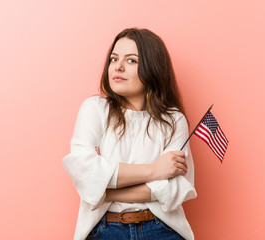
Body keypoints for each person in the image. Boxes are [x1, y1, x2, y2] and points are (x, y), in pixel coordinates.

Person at [63, 28, 197, 240]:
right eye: (114, 58)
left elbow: (175, 188)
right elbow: (85, 171)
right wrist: (154, 170)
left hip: (162, 229)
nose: (118, 66)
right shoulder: (95, 108)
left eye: (132, 60)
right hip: (105, 230)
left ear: (153, 67)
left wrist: (106, 192)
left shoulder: (173, 120)